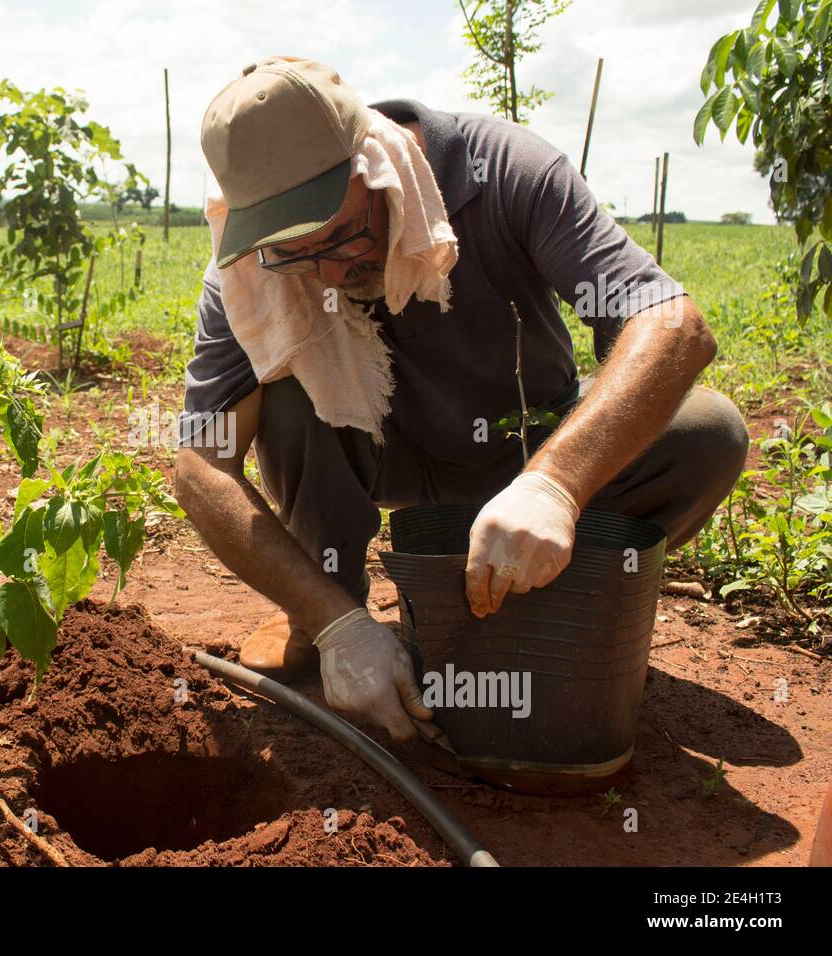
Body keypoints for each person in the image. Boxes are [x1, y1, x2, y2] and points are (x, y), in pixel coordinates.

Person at [175, 57, 750, 743]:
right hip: (379, 456)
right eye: (295, 252)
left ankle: (537, 595)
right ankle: (330, 608)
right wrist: (336, 625)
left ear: (375, 163)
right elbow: (200, 466)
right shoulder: (253, 270)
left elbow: (673, 325)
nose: (327, 270)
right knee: (278, 393)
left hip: (525, 448)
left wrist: (555, 486)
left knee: (708, 431)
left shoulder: (506, 171)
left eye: (339, 235)